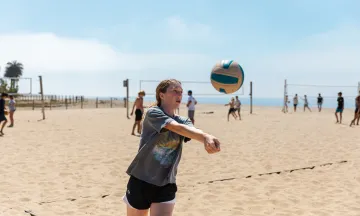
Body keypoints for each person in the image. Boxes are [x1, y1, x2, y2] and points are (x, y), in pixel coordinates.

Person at [122, 79, 220, 216]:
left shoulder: (184, 120)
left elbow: (189, 129)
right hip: (141, 180)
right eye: (174, 91)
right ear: (161, 95)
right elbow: (174, 127)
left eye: (181, 92)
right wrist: (205, 138)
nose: (179, 94)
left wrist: (205, 136)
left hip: (166, 183)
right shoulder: (153, 113)